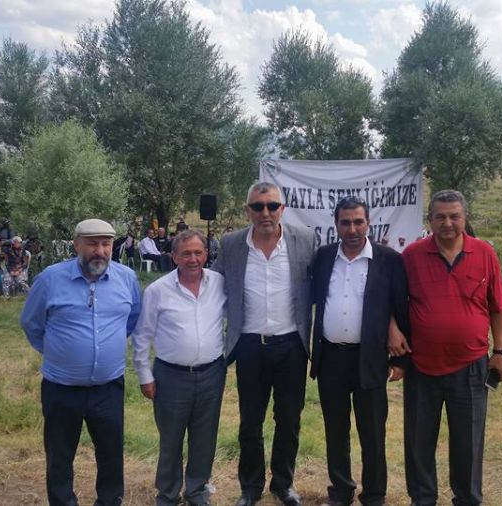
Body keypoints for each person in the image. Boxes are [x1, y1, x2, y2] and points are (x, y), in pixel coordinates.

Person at [390, 189, 502, 506]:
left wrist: (500, 352)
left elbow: (497, 307)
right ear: (429, 219)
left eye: (454, 216)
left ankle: (468, 499)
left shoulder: (485, 254)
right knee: (419, 442)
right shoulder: (412, 255)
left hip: (471, 366)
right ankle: (422, 499)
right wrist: (391, 328)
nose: (447, 223)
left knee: (468, 443)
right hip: (422, 366)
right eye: (440, 216)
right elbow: (393, 300)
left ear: (464, 218)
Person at [20, 219, 142, 506]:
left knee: (111, 454)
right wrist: (60, 353)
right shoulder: (50, 279)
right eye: (92, 244)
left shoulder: (126, 278)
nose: (100, 251)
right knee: (60, 456)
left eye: (106, 244)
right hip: (61, 388)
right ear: (76, 245)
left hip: (109, 388)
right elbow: (31, 324)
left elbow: (132, 319)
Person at [212, 182, 315, 506]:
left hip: (291, 346)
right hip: (250, 346)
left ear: (282, 208)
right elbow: (213, 285)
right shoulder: (231, 244)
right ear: (248, 211)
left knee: (289, 420)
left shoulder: (305, 240)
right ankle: (250, 487)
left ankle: (283, 484)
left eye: (272, 206)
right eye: (258, 206)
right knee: (250, 422)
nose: (265, 213)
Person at [309, 197, 408, 506]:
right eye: (345, 223)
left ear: (368, 223)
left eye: (358, 222)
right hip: (331, 358)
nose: (351, 229)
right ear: (336, 225)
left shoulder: (388, 259)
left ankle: (374, 495)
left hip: (371, 358)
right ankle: (341, 491)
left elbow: (400, 307)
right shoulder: (324, 257)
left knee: (373, 432)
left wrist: (400, 359)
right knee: (335, 430)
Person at [131, 229, 227, 506]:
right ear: (173, 256)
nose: (192, 259)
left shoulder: (219, 283)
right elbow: (142, 335)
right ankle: (168, 494)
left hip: (211, 373)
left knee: (205, 437)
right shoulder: (158, 290)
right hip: (171, 376)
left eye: (198, 253)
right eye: (186, 254)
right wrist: (144, 375)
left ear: (206, 254)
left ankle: (197, 491)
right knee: (171, 439)